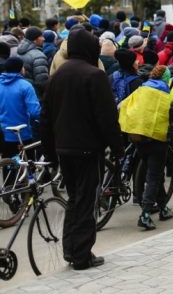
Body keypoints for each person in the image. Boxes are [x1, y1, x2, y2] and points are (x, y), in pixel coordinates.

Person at [40, 29, 124, 270]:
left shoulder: (56, 75)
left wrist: (50, 153)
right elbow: (107, 117)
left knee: (75, 199)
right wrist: (117, 147)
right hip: (88, 149)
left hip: (63, 149)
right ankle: (82, 255)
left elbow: (45, 119)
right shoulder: (94, 75)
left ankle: (71, 249)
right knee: (87, 200)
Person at [117, 64, 173, 230]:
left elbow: (121, 106)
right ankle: (146, 214)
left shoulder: (142, 89)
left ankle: (163, 208)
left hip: (137, 136)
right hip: (157, 138)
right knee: (153, 176)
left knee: (154, 172)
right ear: (166, 79)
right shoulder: (166, 94)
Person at [0, 57, 40, 157]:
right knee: (28, 166)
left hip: (2, 134)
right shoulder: (26, 86)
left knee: (7, 168)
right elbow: (35, 112)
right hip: (22, 134)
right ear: (21, 68)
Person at [17, 26, 49, 96]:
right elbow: (42, 82)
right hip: (35, 95)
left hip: (20, 93)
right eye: (41, 36)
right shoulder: (39, 56)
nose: (43, 39)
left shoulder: (18, 52)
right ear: (34, 40)